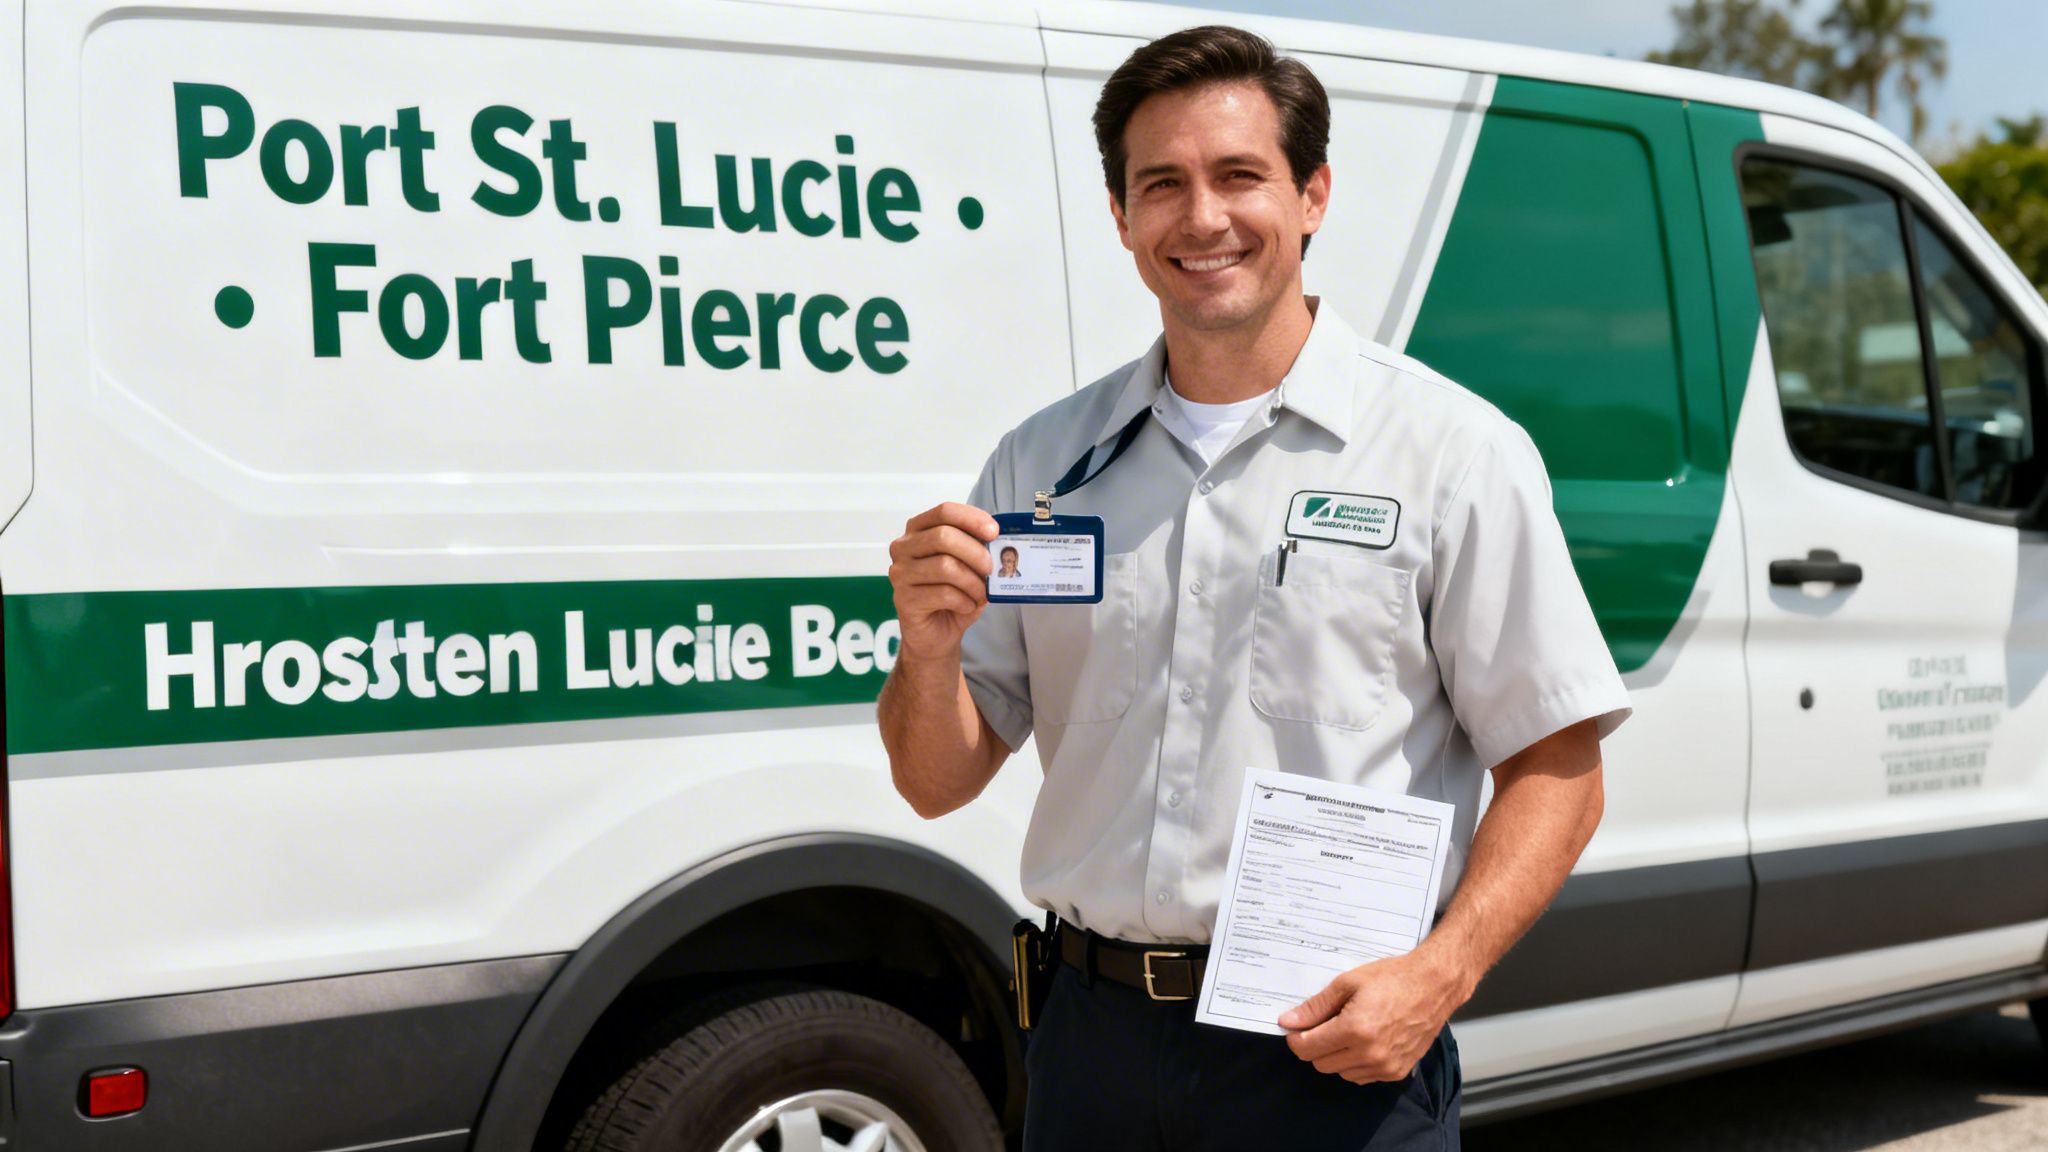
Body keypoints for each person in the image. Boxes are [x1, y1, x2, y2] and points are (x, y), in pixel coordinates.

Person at [878, 24, 1629, 1152]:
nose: (1202, 218)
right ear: (1121, 215)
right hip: (1089, 1048)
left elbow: (1557, 767)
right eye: (1161, 184)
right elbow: (936, 782)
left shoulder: (1446, 452)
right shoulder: (1039, 463)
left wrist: (1439, 974)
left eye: (1238, 176)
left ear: (1312, 194)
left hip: (1330, 1050)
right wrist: (926, 649)